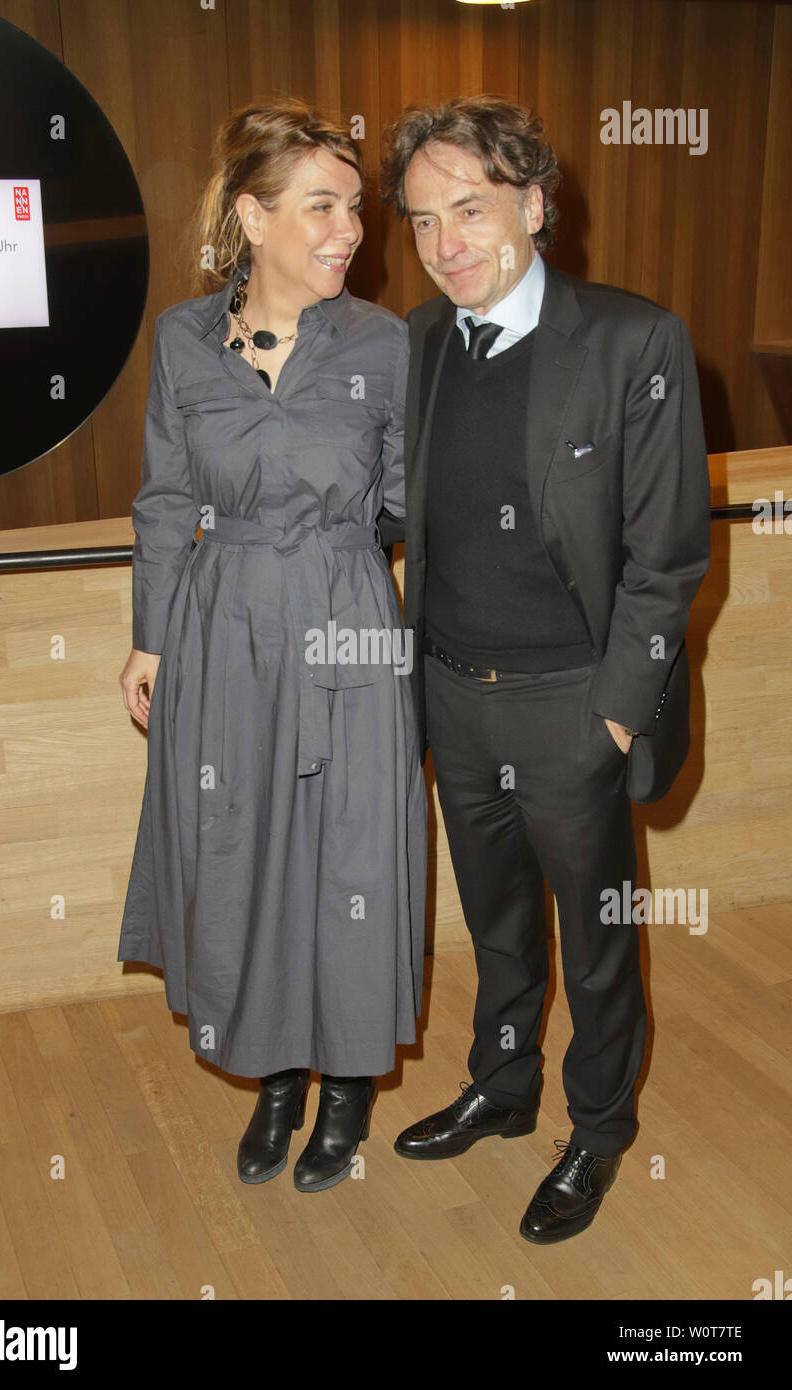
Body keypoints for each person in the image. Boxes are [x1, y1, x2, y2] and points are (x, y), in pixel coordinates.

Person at [378, 96, 710, 1242]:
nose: (444, 244)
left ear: (530, 202)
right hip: (452, 697)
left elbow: (667, 561)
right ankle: (503, 1085)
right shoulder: (414, 345)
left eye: (467, 208)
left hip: (574, 704)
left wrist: (613, 719)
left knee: (597, 938)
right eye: (422, 221)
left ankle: (597, 1129)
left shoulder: (633, 339)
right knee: (499, 923)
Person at [118, 101, 426, 1194]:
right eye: (321, 206)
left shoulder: (387, 344)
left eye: (353, 207)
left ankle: (346, 1084)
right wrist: (151, 640)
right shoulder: (181, 341)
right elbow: (163, 499)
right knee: (243, 855)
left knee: (347, 857)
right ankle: (279, 1078)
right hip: (224, 627)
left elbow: (413, 503)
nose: (349, 229)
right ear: (252, 216)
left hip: (345, 613)